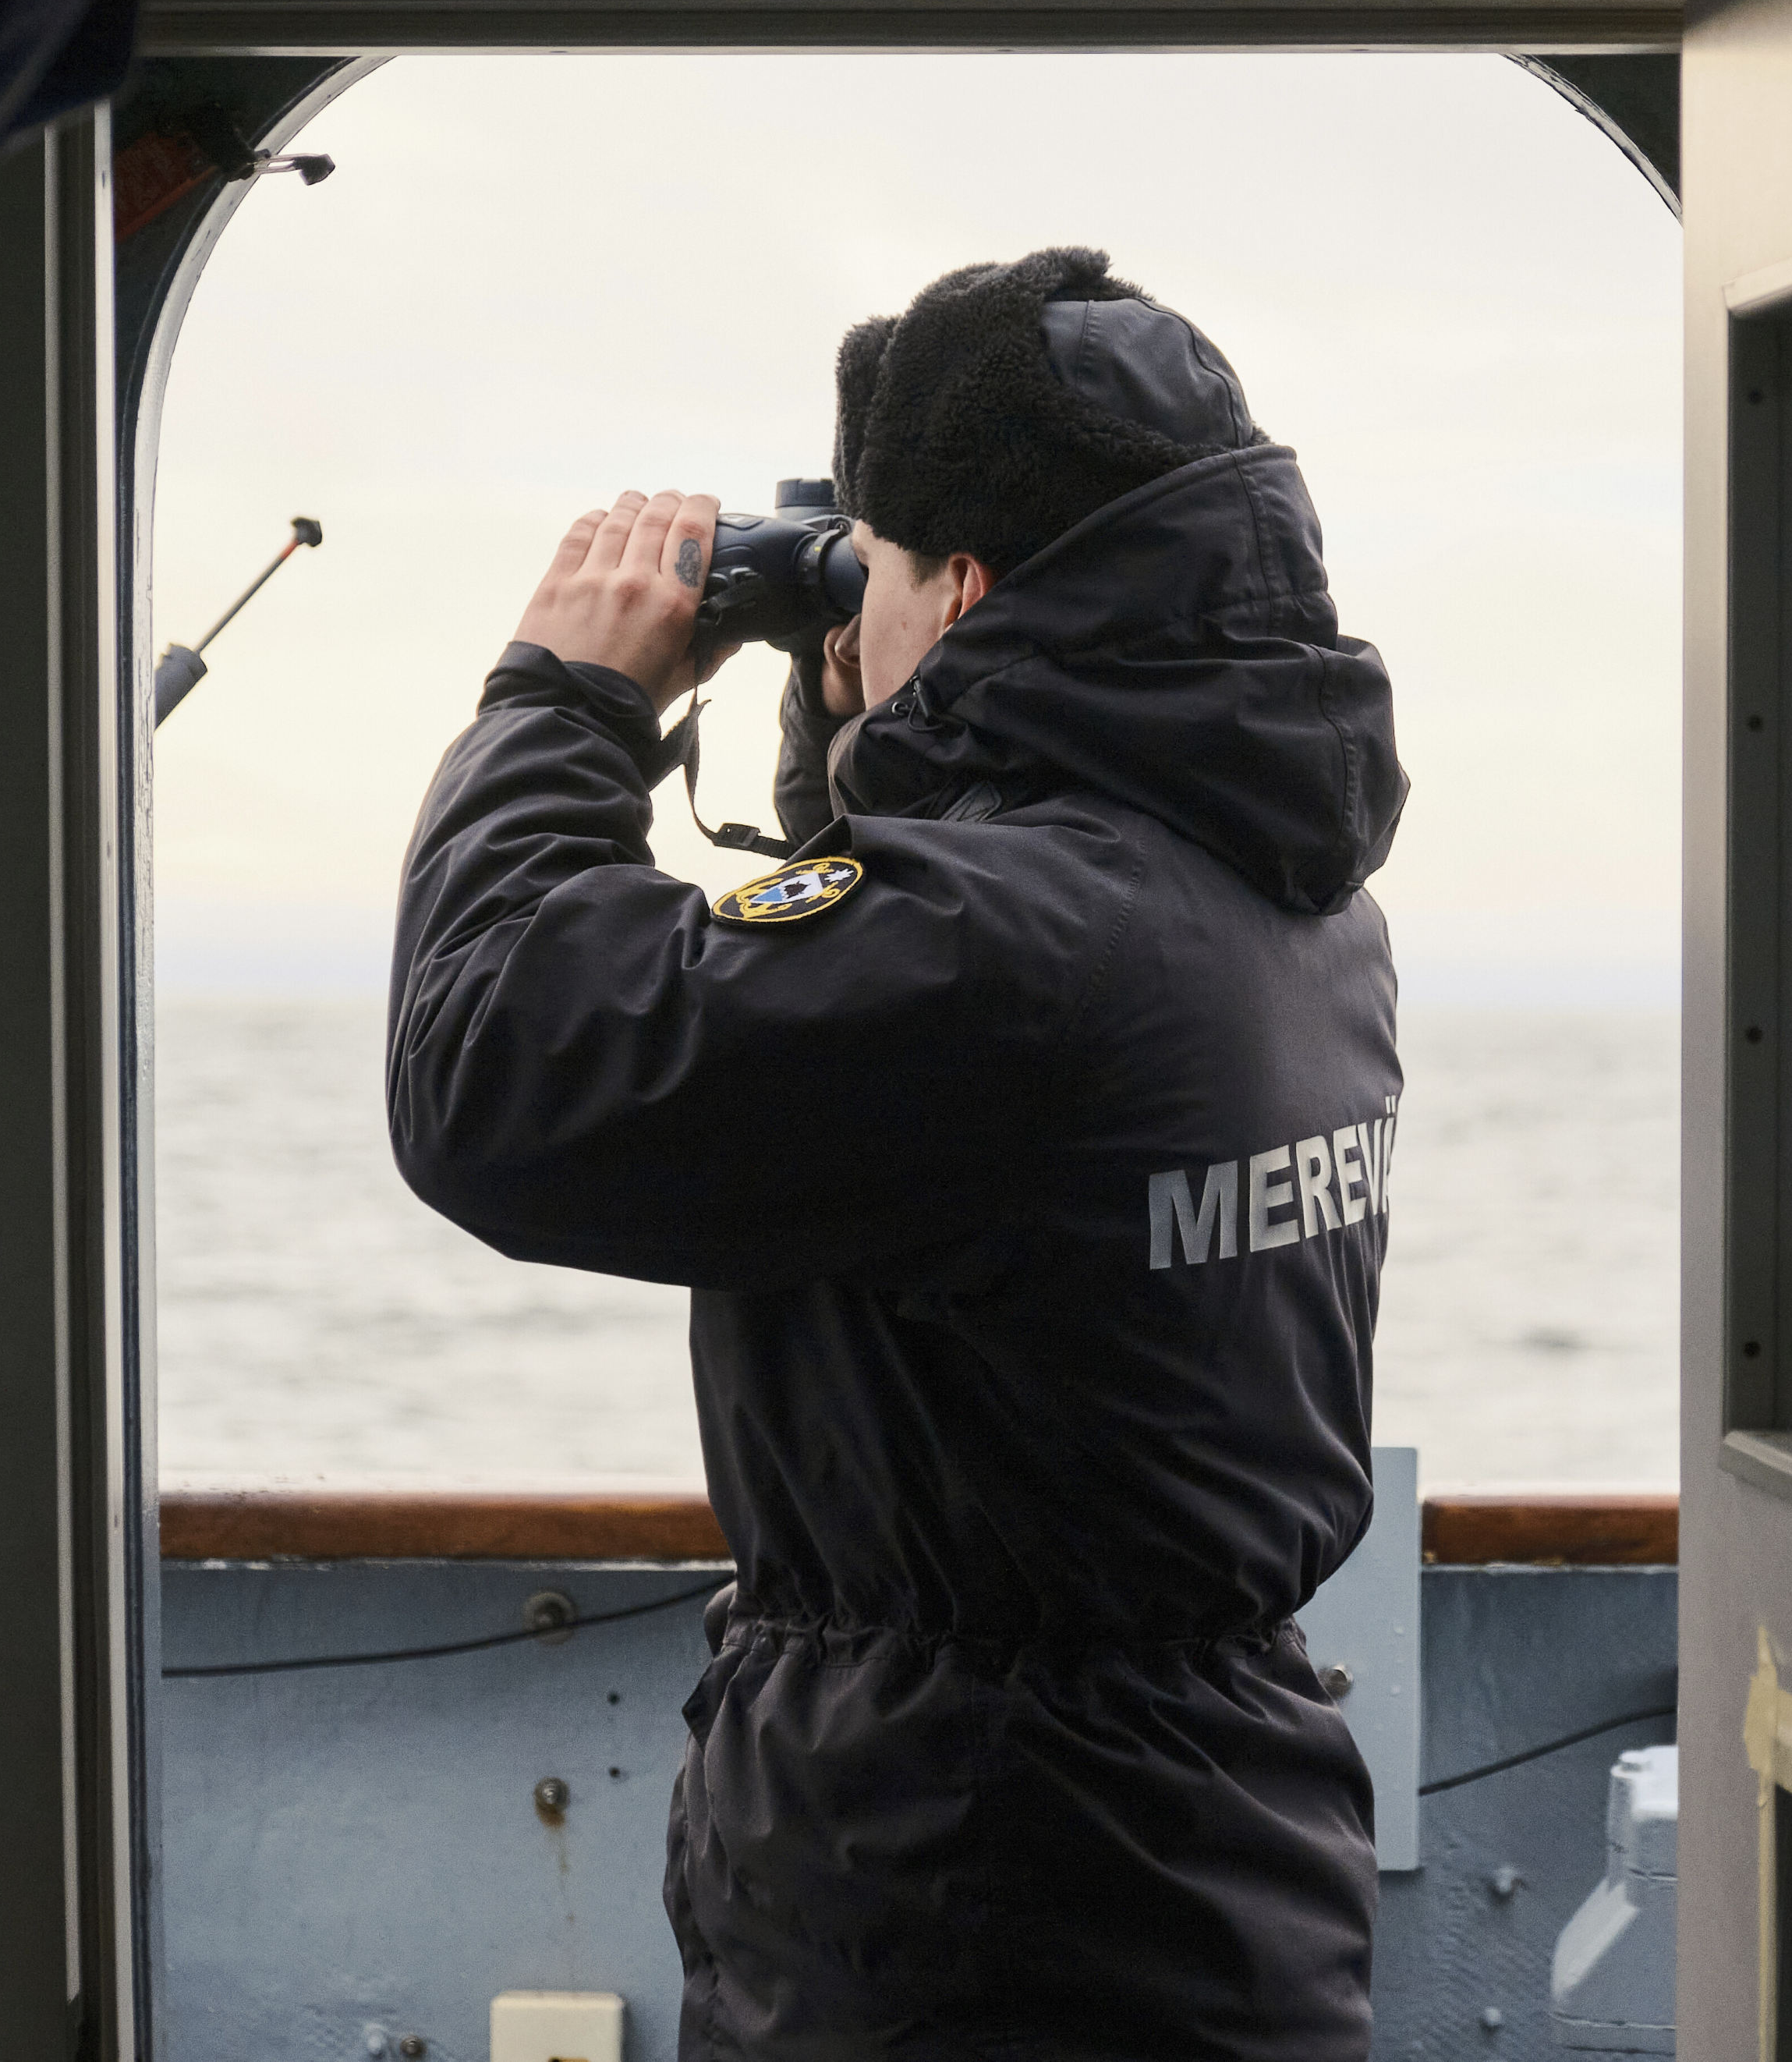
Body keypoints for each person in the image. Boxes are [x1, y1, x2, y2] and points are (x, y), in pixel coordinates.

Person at [388, 246, 1411, 2058]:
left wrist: (562, 705)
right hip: (1204, 1855)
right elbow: (887, 967)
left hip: (968, 1892)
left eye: (883, 564)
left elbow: (494, 1076)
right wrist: (867, 687)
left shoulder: (1006, 952)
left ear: (977, 585)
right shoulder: (1279, 895)